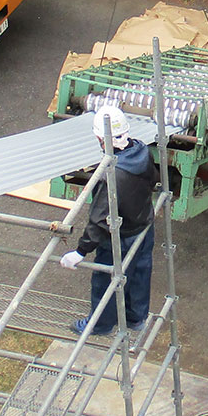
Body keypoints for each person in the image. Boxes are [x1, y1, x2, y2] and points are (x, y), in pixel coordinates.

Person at [60, 106, 160, 337]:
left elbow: (99, 221)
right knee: (139, 274)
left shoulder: (111, 174)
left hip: (121, 235)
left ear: (99, 138)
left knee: (107, 281)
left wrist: (81, 251)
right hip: (144, 226)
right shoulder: (143, 151)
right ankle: (136, 319)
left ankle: (101, 325)